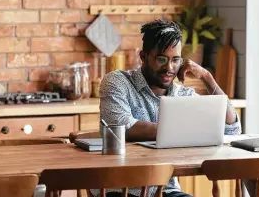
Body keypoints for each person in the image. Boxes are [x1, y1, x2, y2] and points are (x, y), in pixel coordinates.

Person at [94, 19, 241, 197]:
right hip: (121, 188)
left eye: (175, 60)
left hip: (165, 190)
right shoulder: (118, 82)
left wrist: (207, 77)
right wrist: (186, 131)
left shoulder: (183, 95)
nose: (169, 68)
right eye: (162, 59)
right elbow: (121, 126)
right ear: (143, 57)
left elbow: (231, 129)